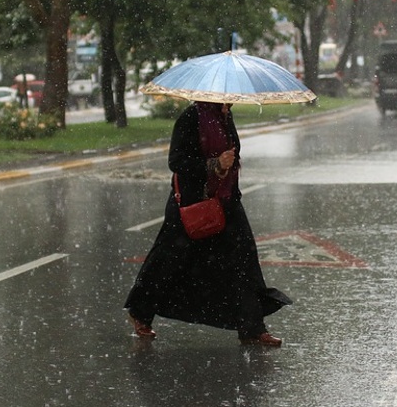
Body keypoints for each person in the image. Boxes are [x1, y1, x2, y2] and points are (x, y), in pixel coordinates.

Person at [124, 101, 291, 346]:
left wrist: (226, 167)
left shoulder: (225, 116)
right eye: (227, 98)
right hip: (192, 203)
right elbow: (177, 161)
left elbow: (231, 156)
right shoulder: (192, 117)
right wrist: (214, 165)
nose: (230, 102)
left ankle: (252, 328)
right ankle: (140, 311)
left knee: (244, 262)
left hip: (226, 200)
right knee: (168, 261)